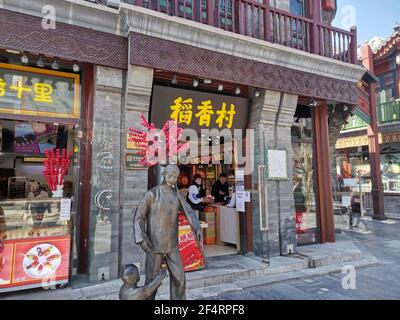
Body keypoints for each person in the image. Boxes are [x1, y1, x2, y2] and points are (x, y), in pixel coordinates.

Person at [133, 165, 201, 300]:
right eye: (170, 176)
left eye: (175, 177)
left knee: (180, 278)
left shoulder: (178, 195)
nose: (172, 179)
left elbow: (188, 211)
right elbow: (138, 217)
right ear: (164, 174)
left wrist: (196, 226)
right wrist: (141, 238)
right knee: (151, 282)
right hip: (154, 245)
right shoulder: (151, 194)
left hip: (172, 245)